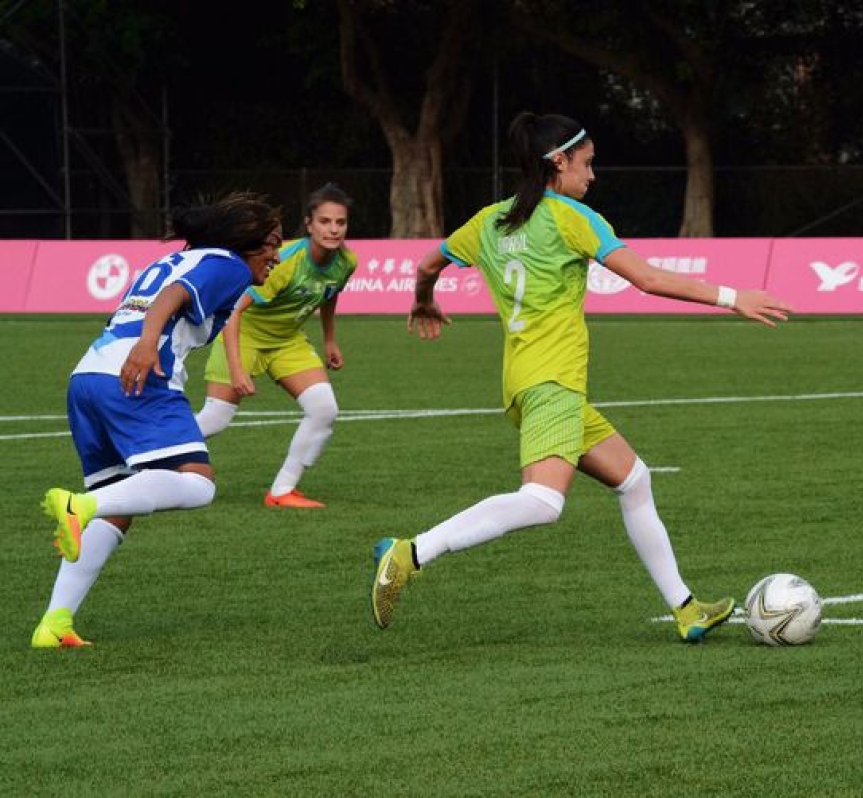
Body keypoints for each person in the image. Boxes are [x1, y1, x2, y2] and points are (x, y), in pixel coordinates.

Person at [370, 112, 792, 642]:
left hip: (525, 385)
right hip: (553, 384)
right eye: (587, 164)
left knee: (635, 479)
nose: (592, 176)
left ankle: (686, 608)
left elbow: (426, 264)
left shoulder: (489, 221)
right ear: (558, 162)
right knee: (543, 504)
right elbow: (647, 278)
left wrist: (423, 302)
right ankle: (411, 552)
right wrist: (734, 299)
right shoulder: (572, 218)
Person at [31, 192, 283, 648]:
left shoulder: (178, 258)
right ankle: (78, 506)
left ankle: (55, 623)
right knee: (199, 484)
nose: (277, 254)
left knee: (118, 507)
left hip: (88, 376)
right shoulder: (228, 264)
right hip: (137, 375)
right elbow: (173, 297)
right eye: (270, 243)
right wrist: (148, 345)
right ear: (243, 241)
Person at [194, 183, 358, 508]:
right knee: (215, 419)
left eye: (340, 222)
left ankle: (282, 491)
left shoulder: (347, 262)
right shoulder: (285, 260)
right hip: (244, 334)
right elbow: (234, 312)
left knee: (324, 410)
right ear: (310, 224)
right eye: (325, 221)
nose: (333, 229)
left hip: (287, 341)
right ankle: (141, 457)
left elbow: (329, 293)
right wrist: (239, 370)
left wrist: (329, 339)